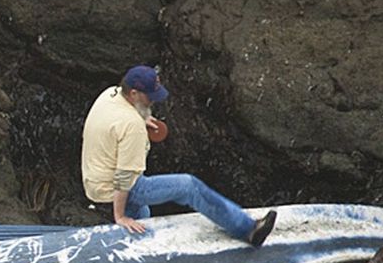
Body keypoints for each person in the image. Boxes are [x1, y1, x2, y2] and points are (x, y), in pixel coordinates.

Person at [80, 65, 277, 246]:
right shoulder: (132, 126)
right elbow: (123, 179)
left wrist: (142, 116)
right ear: (134, 93)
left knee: (142, 214)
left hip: (93, 176)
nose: (154, 100)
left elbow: (116, 124)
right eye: (150, 97)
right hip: (115, 186)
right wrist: (120, 217)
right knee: (188, 186)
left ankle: (141, 247)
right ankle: (248, 230)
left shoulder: (111, 94)